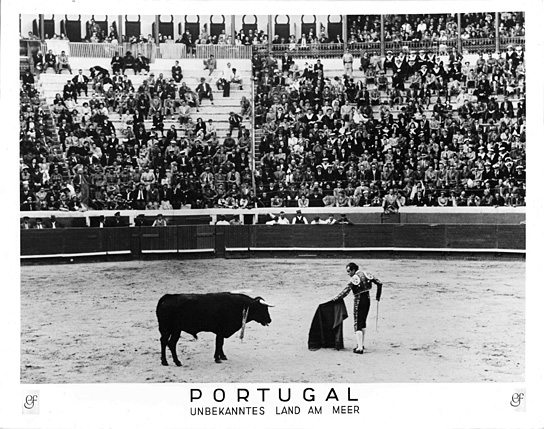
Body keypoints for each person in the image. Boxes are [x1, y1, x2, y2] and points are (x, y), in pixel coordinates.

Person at [332, 262, 383, 354]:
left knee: (357, 323)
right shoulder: (367, 274)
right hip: (367, 300)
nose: (348, 274)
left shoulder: (354, 279)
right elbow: (379, 283)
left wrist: (335, 299)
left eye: (349, 271)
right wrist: (377, 296)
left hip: (359, 302)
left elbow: (345, 292)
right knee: (363, 321)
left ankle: (359, 348)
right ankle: (361, 344)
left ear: (353, 270)